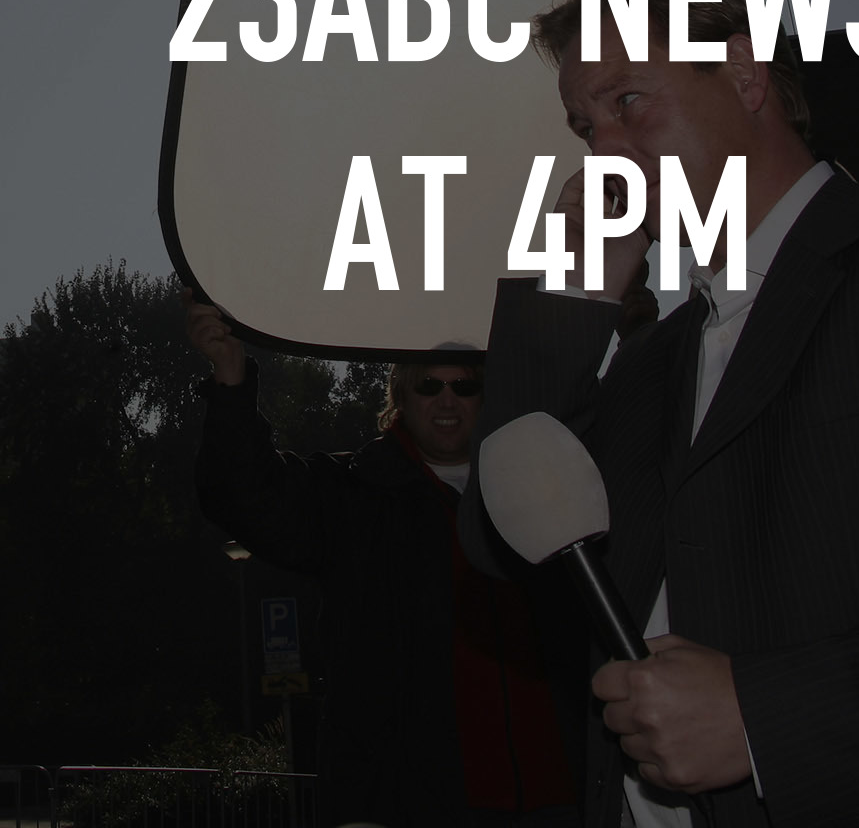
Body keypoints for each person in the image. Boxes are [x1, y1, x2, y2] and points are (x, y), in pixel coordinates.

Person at [459, 0, 859, 828]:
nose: (604, 152)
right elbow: (502, 543)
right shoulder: (650, 363)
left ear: (744, 75)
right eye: (585, 126)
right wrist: (572, 297)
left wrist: (763, 721)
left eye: (628, 100)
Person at [189, 296, 585, 828]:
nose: (447, 400)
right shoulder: (355, 495)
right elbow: (243, 495)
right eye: (429, 385)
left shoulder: (543, 492)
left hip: (555, 797)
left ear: (487, 396)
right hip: (407, 803)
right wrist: (231, 377)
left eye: (464, 386)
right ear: (400, 395)